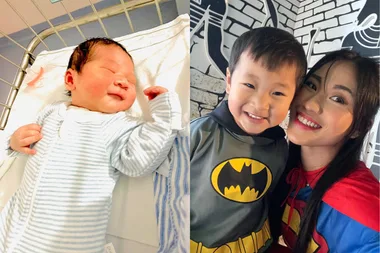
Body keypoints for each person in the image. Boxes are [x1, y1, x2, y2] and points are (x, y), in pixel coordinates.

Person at [0, 38, 182, 252]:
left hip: (67, 244)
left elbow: (139, 162)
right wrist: (13, 141)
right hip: (9, 229)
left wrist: (164, 115)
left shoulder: (118, 124)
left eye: (131, 81)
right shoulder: (50, 111)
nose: (123, 82)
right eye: (110, 71)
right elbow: (24, 139)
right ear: (71, 79)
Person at [190, 27, 307, 253]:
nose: (260, 104)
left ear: (293, 98)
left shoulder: (280, 148)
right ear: (230, 81)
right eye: (250, 85)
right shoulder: (199, 134)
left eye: (278, 93)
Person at [269, 49, 380, 253]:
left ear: (359, 127)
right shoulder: (283, 166)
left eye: (338, 99)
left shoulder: (365, 215)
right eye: (311, 85)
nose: (310, 103)